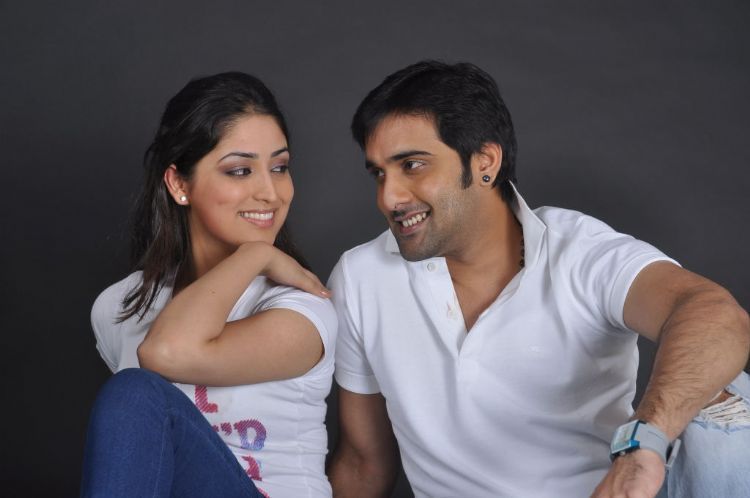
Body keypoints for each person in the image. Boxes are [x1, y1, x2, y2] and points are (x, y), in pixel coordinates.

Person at [327, 61, 750, 497]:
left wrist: (642, 445)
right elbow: (363, 463)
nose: (389, 197)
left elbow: (714, 315)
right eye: (379, 173)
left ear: (485, 162)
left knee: (727, 401)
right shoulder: (361, 277)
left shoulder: (580, 253)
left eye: (412, 165)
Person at [81, 72, 337, 498]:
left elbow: (166, 354)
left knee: (135, 393)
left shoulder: (302, 311)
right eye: (240, 170)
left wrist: (255, 256)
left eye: (279, 167)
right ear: (180, 184)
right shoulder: (120, 307)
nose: (271, 193)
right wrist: (257, 255)